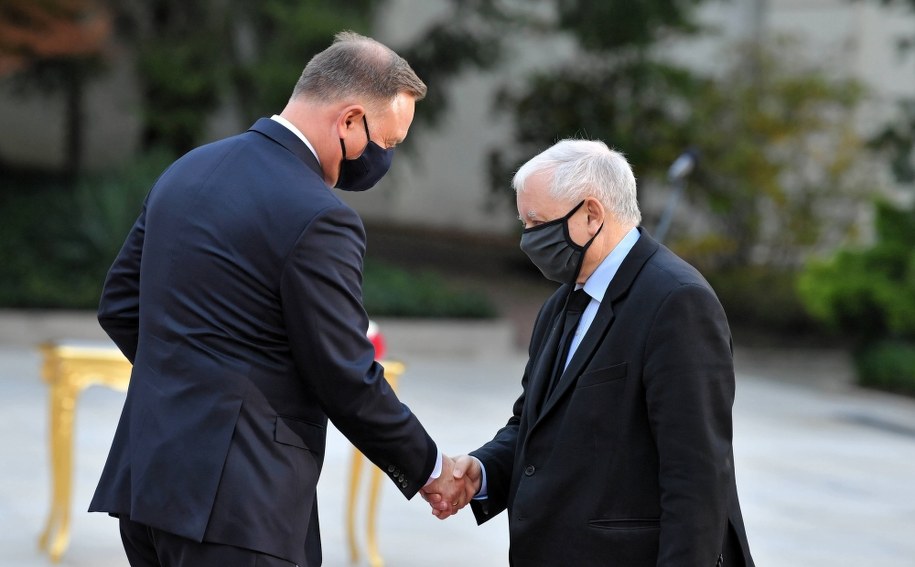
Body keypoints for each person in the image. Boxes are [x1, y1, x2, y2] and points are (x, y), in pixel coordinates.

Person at [89, 31, 464, 567]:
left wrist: (189, 382)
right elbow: (344, 376)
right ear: (350, 119)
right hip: (241, 505)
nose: (382, 159)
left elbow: (120, 306)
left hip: (147, 483)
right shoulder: (321, 216)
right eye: (387, 142)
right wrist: (430, 468)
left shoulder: (187, 169)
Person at [422, 139, 755, 566]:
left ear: (592, 215)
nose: (528, 239)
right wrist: (481, 471)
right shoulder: (562, 303)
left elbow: (696, 476)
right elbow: (533, 424)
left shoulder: (677, 302)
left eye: (537, 223)